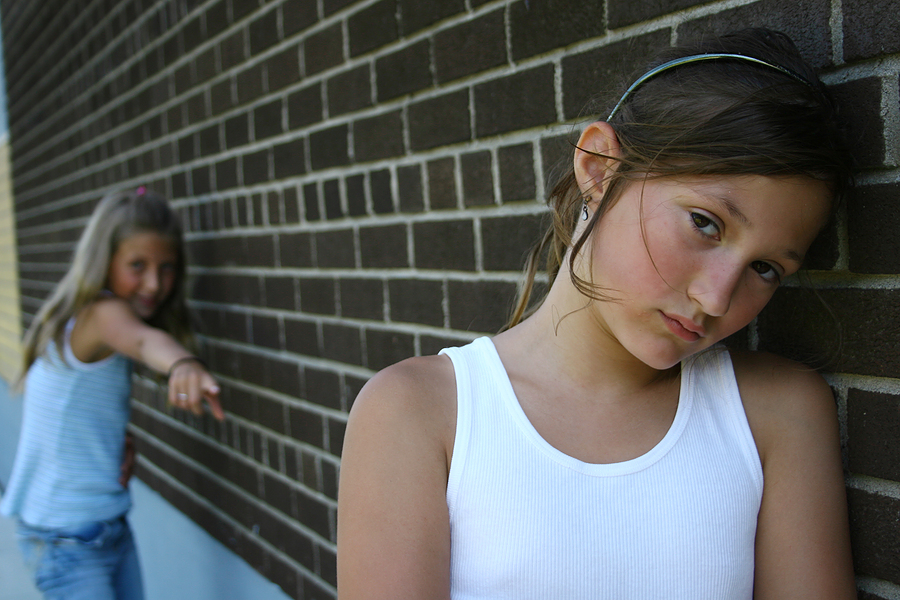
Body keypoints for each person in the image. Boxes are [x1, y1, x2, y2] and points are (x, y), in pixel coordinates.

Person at [336, 28, 857, 599]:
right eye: (705, 223)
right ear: (599, 168)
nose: (716, 300)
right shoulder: (418, 413)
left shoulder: (777, 415)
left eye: (765, 268)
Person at [1, 188, 225, 600]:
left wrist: (108, 441)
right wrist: (183, 364)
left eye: (166, 268)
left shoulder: (93, 320)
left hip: (106, 528)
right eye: (137, 265)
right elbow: (143, 341)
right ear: (104, 262)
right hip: (67, 543)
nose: (154, 283)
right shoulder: (103, 316)